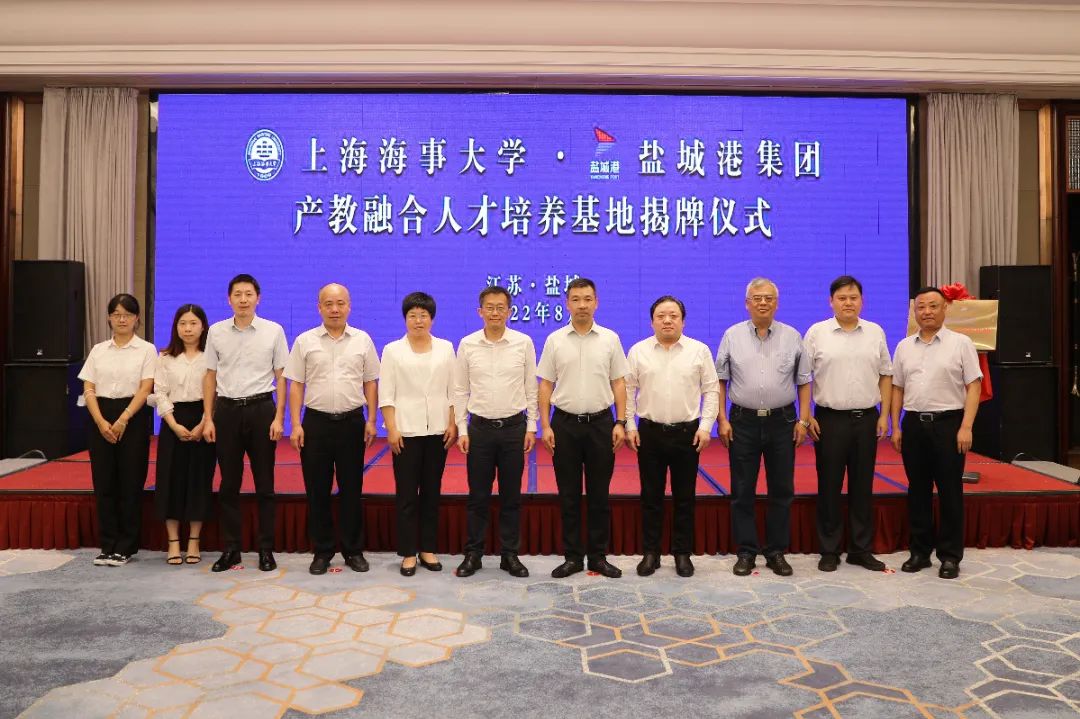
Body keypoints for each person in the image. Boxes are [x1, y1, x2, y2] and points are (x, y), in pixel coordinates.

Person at [716, 277, 811, 577]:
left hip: (782, 421)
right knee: (742, 489)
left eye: (768, 298)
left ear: (776, 303)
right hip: (742, 421)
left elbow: (804, 381)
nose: (763, 303)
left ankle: (775, 551)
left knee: (782, 488)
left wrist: (804, 419)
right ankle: (746, 551)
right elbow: (720, 381)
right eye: (757, 298)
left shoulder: (792, 336)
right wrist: (722, 419)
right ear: (747, 303)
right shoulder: (732, 335)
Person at [538, 277, 629, 579]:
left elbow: (619, 382)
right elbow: (545, 384)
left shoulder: (610, 339)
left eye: (587, 299)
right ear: (567, 303)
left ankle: (598, 557)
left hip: (601, 424)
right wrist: (544, 425)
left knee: (600, 494)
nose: (582, 305)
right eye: (576, 299)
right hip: (564, 425)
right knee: (569, 495)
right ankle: (573, 557)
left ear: (596, 303)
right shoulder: (555, 340)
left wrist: (620, 421)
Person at [286, 283, 379, 575]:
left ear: (349, 306)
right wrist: (295, 424)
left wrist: (372, 420)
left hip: (352, 423)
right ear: (319, 308)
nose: (335, 309)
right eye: (328, 304)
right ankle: (322, 551)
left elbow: (370, 382)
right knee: (317, 490)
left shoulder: (362, 340)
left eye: (340, 303)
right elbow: (296, 385)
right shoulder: (304, 341)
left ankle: (353, 550)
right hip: (316, 423)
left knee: (352, 489)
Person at [890, 286, 982, 580]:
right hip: (914, 424)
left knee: (950, 491)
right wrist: (896, 425)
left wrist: (966, 426)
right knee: (917, 490)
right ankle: (919, 552)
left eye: (933, 306)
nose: (926, 312)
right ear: (914, 311)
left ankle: (950, 556)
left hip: (949, 424)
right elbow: (897, 387)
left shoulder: (961, 343)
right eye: (921, 307)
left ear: (945, 309)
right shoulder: (904, 346)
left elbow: (974, 386)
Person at [804, 276, 893, 573]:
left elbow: (886, 374)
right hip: (829, 420)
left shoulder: (875, 332)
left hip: (866, 419)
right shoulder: (817, 333)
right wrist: (807, 415)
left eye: (853, 298)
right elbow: (803, 377)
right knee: (829, 486)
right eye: (841, 298)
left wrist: (884, 415)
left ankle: (860, 549)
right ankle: (829, 550)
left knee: (862, 486)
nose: (848, 303)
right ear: (831, 302)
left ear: (862, 301)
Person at [626, 295, 719, 578]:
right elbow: (628, 390)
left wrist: (706, 426)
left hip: (687, 434)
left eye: (673, 316)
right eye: (661, 316)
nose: (667, 321)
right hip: (650, 433)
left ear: (683, 321)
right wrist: (629, 424)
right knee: (650, 496)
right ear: (652, 321)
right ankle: (651, 553)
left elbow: (711, 390)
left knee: (685, 497)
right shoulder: (638, 351)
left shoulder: (699, 350)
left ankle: (682, 553)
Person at [202, 274, 289, 573]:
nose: (243, 299)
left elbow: (281, 376)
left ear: (257, 298)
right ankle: (231, 549)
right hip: (226, 411)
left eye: (248, 294)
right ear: (229, 299)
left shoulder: (273, 331)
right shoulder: (216, 332)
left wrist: (279, 417)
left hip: (261, 409)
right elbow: (210, 376)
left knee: (265, 484)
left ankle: (266, 549)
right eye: (237, 294)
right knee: (229, 484)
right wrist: (208, 417)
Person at [453, 285, 538, 578]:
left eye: (501, 307)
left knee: (511, 496)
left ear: (509, 311)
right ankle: (473, 554)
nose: (495, 313)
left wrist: (532, 426)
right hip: (479, 431)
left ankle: (509, 555)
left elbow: (531, 387)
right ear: (480, 311)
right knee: (478, 496)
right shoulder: (467, 344)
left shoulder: (523, 342)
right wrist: (462, 429)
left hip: (514, 429)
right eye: (489, 307)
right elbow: (460, 390)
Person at [380, 292, 457, 576]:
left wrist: (453, 423)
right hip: (406, 431)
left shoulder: (446, 348)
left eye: (423, 315)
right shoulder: (392, 351)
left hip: (438, 430)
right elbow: (386, 394)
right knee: (407, 494)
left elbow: (454, 390)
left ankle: (427, 548)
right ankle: (408, 552)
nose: (418, 320)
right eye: (412, 315)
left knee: (431, 492)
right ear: (405, 319)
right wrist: (391, 428)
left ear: (432, 318)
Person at [79, 293, 156, 566]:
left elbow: (145, 388)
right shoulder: (98, 350)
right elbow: (88, 388)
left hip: (132, 416)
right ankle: (107, 544)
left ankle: (126, 545)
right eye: (116, 314)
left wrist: (123, 419)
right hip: (100, 415)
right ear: (109, 318)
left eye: (127, 315)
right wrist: (100, 422)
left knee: (130, 482)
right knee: (104, 482)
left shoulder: (147, 349)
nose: (121, 319)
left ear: (137, 318)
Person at [151, 304, 216, 565]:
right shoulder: (165, 357)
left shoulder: (211, 358)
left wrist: (204, 422)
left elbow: (217, 391)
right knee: (171, 480)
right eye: (182, 323)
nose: (188, 329)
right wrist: (173, 424)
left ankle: (194, 541)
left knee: (199, 480)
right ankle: (173, 542)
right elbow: (159, 392)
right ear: (176, 327)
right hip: (173, 420)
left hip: (204, 419)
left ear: (203, 326)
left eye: (193, 323)